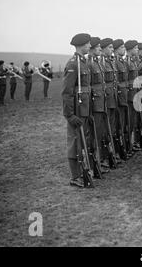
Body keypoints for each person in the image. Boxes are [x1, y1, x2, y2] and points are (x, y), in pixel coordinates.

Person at [62, 33, 92, 188]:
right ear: (81, 45)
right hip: (76, 110)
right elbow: (67, 92)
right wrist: (69, 114)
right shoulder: (73, 64)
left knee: (82, 140)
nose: (89, 46)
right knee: (74, 141)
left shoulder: (83, 62)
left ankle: (81, 171)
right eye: (88, 44)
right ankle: (75, 176)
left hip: (84, 108)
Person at [87, 37, 110, 174]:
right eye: (98, 47)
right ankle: (94, 163)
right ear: (91, 49)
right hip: (94, 104)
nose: (100, 49)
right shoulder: (89, 63)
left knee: (100, 132)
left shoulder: (97, 62)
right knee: (94, 134)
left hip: (101, 103)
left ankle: (99, 160)